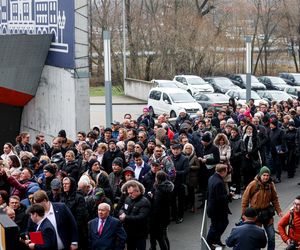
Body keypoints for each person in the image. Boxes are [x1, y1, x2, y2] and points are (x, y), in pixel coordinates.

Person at [241, 166, 283, 250]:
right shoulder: (253, 184)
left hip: (267, 215)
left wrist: (279, 211)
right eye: (264, 175)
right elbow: (245, 200)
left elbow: (274, 199)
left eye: (267, 175)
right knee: (256, 238)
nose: (266, 177)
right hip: (255, 216)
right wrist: (244, 214)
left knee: (271, 236)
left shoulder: (271, 184)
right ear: (260, 175)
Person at [119, 180, 151, 250]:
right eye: (128, 193)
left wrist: (125, 217)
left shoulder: (144, 202)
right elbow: (122, 208)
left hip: (140, 233)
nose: (129, 195)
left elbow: (141, 217)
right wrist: (121, 213)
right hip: (129, 232)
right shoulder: (128, 198)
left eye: (131, 193)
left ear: (137, 191)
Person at [206, 164, 232, 248]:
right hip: (217, 209)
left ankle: (216, 239)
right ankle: (209, 242)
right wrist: (229, 195)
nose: (227, 172)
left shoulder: (212, 178)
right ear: (223, 171)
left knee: (220, 224)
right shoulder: (219, 182)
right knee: (215, 226)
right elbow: (220, 198)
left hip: (213, 207)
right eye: (226, 170)